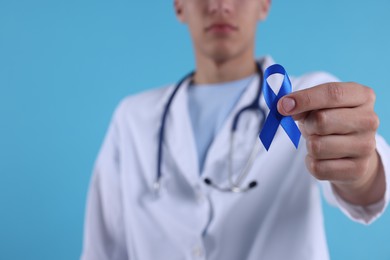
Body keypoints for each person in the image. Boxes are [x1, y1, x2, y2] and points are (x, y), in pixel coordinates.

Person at [80, 0, 390, 259]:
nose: (221, 5)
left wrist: (362, 171)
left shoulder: (307, 98)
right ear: (178, 6)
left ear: (264, 4)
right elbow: (102, 249)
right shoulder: (133, 118)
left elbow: (366, 184)